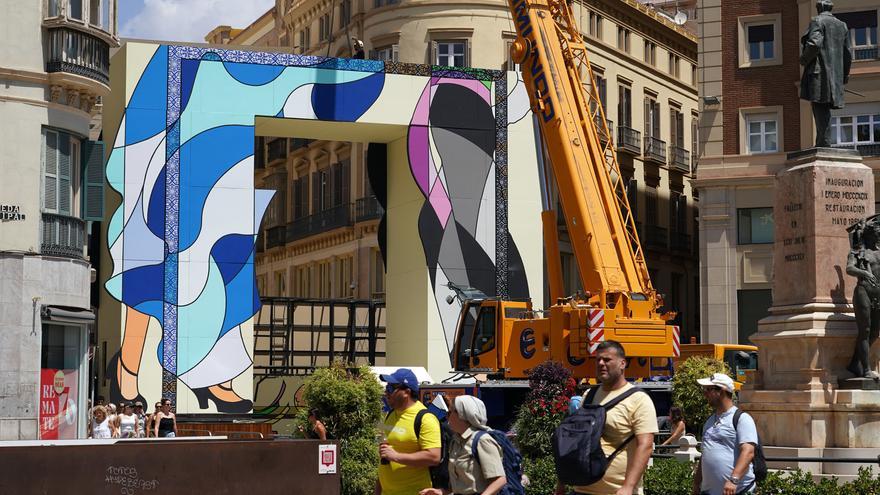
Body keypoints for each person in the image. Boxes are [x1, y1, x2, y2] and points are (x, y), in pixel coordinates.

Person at [560, 340, 658, 495]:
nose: (600, 363)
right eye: (597, 359)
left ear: (622, 363)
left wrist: (628, 487)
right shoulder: (589, 395)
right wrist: (562, 481)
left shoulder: (639, 399)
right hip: (581, 489)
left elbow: (645, 446)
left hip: (617, 492)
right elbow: (575, 440)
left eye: (607, 360)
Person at [419, 395, 506, 495]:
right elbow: (461, 485)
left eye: (449, 413)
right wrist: (442, 492)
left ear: (462, 415)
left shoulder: (482, 440)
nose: (446, 417)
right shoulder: (455, 442)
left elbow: (500, 480)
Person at [376, 368, 442, 495]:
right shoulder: (391, 414)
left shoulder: (425, 418)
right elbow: (385, 458)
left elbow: (434, 456)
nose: (386, 392)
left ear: (406, 392)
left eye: (391, 388)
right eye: (386, 388)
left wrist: (396, 456)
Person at [692, 373, 757, 495]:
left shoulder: (742, 419)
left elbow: (748, 452)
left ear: (721, 391)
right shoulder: (709, 421)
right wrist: (697, 482)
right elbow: (705, 453)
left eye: (708, 389)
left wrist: (734, 480)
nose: (704, 393)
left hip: (739, 491)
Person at [799, 0, 852, 147]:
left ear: (820, 8)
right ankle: (823, 141)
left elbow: (815, 43)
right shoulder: (842, 25)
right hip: (835, 77)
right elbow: (848, 53)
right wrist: (844, 76)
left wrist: (803, 59)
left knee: (819, 106)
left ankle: (823, 142)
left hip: (819, 73)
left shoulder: (817, 21)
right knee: (824, 108)